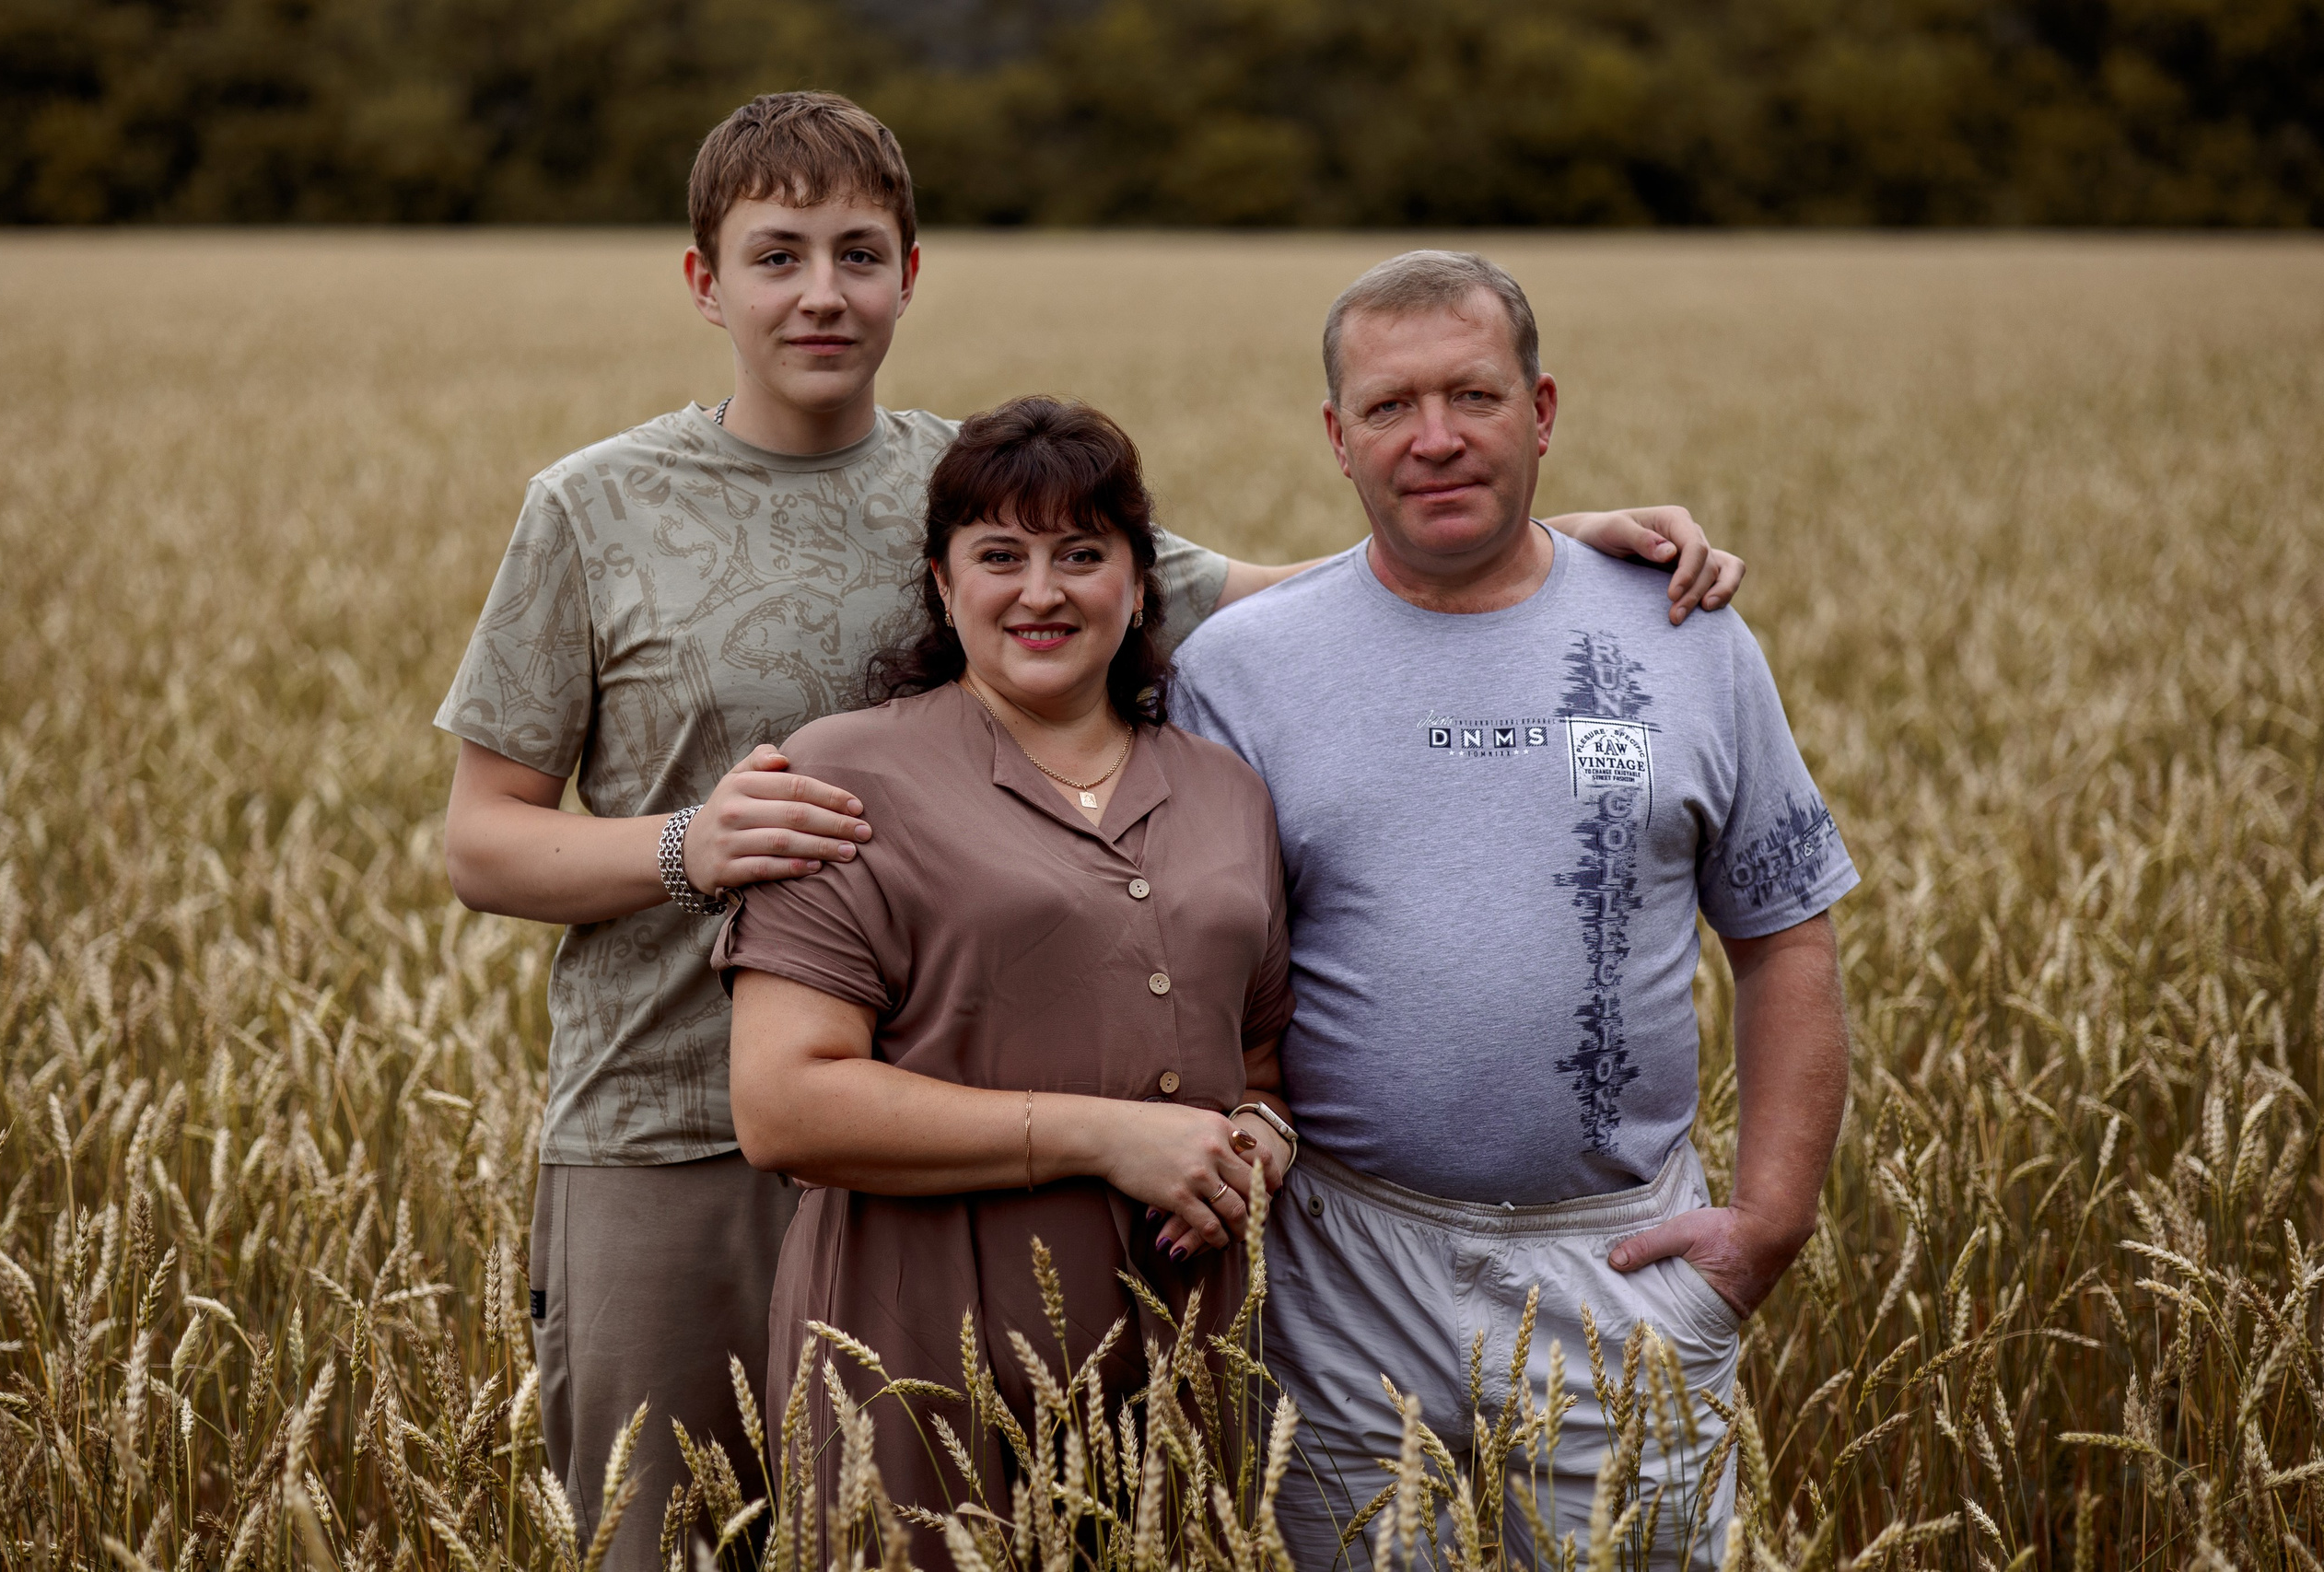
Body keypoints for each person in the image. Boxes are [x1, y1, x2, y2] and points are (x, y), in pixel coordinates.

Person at [436, 92, 1742, 1566]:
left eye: (859, 254)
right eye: (777, 255)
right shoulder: (591, 507)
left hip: (961, 1163)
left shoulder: (982, 490)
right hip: (673, 1130)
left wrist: (1564, 553)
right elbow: (483, 841)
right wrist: (690, 845)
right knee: (670, 1541)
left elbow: (1302, 588)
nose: (821, 293)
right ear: (704, 281)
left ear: (911, 276)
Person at [1165, 251, 1857, 1570]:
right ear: (1335, 438)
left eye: (1473, 397)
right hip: (1340, 1272)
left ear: (1541, 413)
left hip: (1620, 1265)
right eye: (1388, 407)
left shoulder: (1684, 632)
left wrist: (1770, 1219)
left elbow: (1785, 933)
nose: (1433, 438)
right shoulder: (1238, 669)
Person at [712, 396, 1293, 1543]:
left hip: (1180, 1341)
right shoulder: (846, 772)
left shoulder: (1229, 788)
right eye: (1000, 556)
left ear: (1139, 584)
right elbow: (783, 1107)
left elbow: (1264, 1059)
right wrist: (1107, 1135)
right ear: (941, 581)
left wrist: (1261, 1137)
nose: (1042, 592)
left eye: (1083, 554)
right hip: (914, 1341)